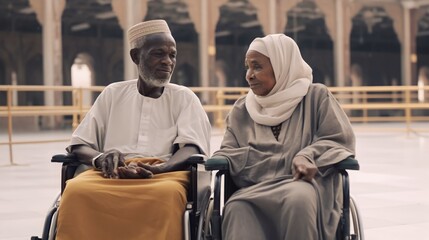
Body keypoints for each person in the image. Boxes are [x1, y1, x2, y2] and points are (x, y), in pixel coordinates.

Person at [55, 19, 211, 240]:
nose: (168, 61)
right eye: (158, 54)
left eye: (172, 55)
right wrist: (101, 158)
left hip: (164, 175)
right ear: (136, 57)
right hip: (111, 174)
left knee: (165, 196)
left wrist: (160, 169)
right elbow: (79, 144)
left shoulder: (184, 98)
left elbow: (192, 147)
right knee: (76, 191)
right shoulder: (113, 94)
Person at [212, 34, 356, 240]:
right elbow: (229, 150)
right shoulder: (242, 109)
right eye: (247, 67)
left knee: (298, 200)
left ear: (282, 67)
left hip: (302, 185)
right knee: (236, 207)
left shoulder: (316, 97)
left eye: (257, 67)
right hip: (254, 190)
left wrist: (307, 156)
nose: (249, 75)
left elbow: (338, 139)